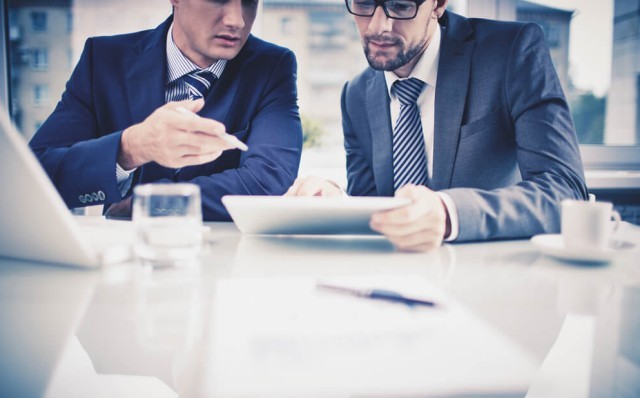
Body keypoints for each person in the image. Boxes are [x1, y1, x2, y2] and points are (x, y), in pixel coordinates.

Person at [286, 0, 588, 252]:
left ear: (438, 4)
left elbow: (566, 192)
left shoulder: (511, 51)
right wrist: (336, 203)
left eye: (401, 6)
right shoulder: (355, 95)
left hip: (498, 286)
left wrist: (447, 213)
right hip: (401, 293)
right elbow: (376, 211)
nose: (378, 27)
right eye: (364, 3)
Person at [29, 0, 302, 220]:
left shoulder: (272, 66)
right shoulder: (103, 60)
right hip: (126, 260)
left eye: (250, 1)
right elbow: (36, 177)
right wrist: (130, 149)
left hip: (225, 265)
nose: (237, 20)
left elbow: (268, 180)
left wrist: (149, 203)